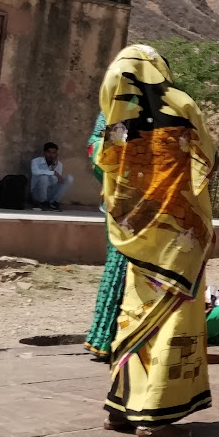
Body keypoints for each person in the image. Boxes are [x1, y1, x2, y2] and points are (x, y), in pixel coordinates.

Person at [95, 45, 217, 437]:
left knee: (135, 317)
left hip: (136, 236)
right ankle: (155, 418)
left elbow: (105, 164)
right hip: (178, 240)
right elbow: (208, 157)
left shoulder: (117, 121)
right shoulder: (181, 104)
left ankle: (121, 408)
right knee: (172, 324)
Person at [83, 112, 125, 362]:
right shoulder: (116, 108)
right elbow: (98, 148)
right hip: (125, 205)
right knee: (120, 266)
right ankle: (108, 336)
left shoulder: (162, 102)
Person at [30, 142, 73, 211]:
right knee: (43, 178)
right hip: (37, 193)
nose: (51, 155)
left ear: (56, 154)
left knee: (69, 178)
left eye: (54, 153)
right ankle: (41, 203)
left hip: (50, 193)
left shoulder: (58, 165)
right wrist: (53, 172)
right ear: (44, 152)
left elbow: (54, 182)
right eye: (49, 152)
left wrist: (53, 169)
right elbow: (35, 172)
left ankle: (54, 202)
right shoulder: (36, 161)